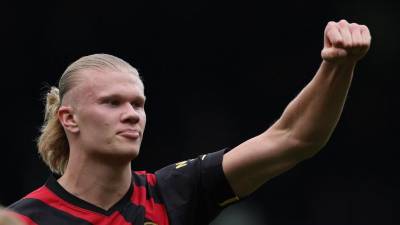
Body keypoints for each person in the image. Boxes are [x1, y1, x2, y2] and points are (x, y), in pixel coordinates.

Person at [8, 19, 371, 225]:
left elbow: (293, 138)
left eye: (138, 103)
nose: (132, 113)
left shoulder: (173, 193)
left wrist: (337, 65)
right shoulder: (26, 219)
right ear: (69, 118)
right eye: (112, 102)